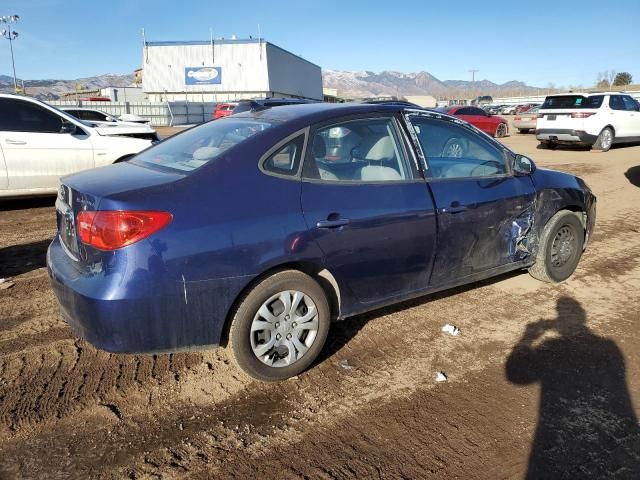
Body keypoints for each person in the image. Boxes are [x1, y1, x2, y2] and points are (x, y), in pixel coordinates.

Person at [506, 296, 640, 479]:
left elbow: (516, 375)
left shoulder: (551, 346)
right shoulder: (609, 347)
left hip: (558, 437)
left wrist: (527, 338)